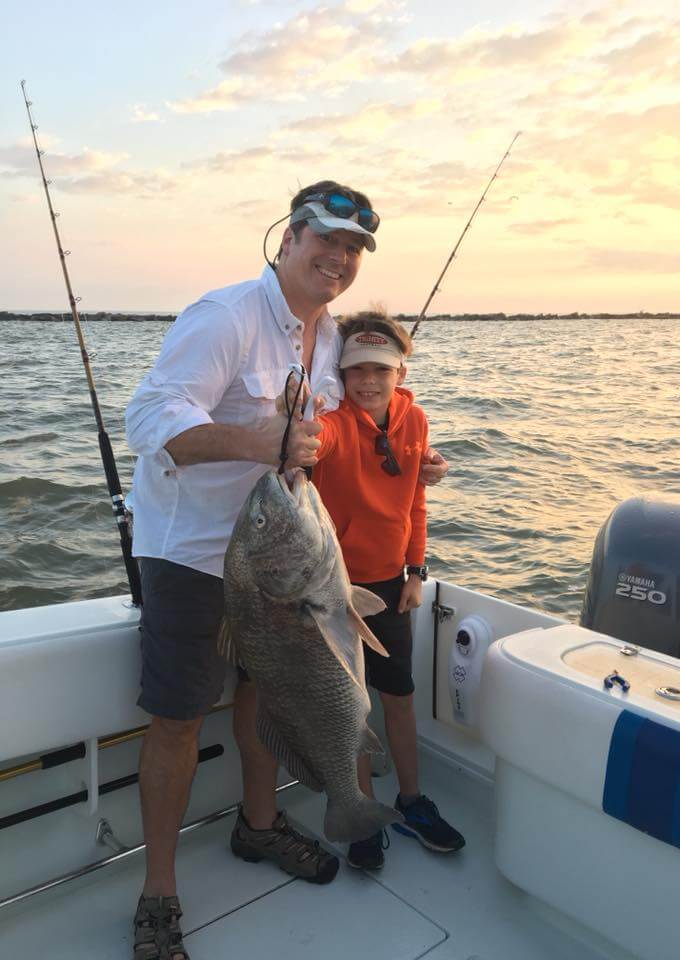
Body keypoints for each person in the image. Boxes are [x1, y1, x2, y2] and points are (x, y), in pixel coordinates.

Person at [124, 182, 448, 960]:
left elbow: (341, 428)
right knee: (177, 716)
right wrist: (256, 441)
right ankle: (158, 894)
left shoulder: (328, 335)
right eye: (325, 241)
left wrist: (409, 461)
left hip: (279, 558)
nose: (338, 258)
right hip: (194, 552)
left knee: (264, 692)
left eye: (352, 250)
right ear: (288, 239)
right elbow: (149, 419)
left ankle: (258, 826)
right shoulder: (226, 316)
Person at [311, 311, 465, 870]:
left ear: (400, 372)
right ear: (341, 373)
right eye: (356, 370)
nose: (368, 381)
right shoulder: (331, 421)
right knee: (350, 706)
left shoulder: (416, 420)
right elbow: (315, 440)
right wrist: (296, 425)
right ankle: (360, 808)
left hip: (391, 584)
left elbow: (415, 502)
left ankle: (411, 799)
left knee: (398, 697)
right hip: (334, 591)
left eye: (380, 369)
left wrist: (417, 572)